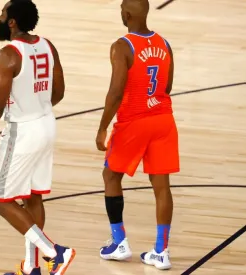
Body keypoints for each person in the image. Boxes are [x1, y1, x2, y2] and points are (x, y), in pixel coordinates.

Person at [0, 0, 76, 274]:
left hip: (23, 131)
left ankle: (54, 253)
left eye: (3, 13)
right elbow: (59, 91)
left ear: (12, 21)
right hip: (47, 124)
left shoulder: (8, 55)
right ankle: (32, 268)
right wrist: (37, 106)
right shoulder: (48, 46)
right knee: (33, 197)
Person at [95, 0, 178, 270]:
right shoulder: (165, 44)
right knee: (161, 187)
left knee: (110, 175)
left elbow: (116, 91)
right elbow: (167, 85)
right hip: (163, 119)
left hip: (134, 121)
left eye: (121, 8)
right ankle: (161, 251)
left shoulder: (122, 46)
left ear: (127, 13)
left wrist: (103, 126)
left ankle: (119, 242)